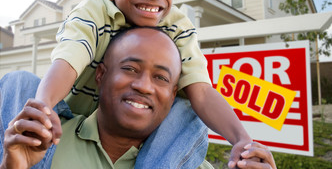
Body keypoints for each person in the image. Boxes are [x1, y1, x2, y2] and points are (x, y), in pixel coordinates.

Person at [2, 0, 251, 167]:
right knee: (18, 82)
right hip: (73, 117)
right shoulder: (92, 11)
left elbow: (203, 92)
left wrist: (243, 141)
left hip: (142, 126)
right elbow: (68, 61)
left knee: (188, 112)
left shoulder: (178, 26)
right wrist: (43, 110)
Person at [0, 27, 277, 169]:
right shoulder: (37, 145)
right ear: (101, 75)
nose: (144, 86)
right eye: (130, 69)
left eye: (161, 78)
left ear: (173, 95)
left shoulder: (188, 163)